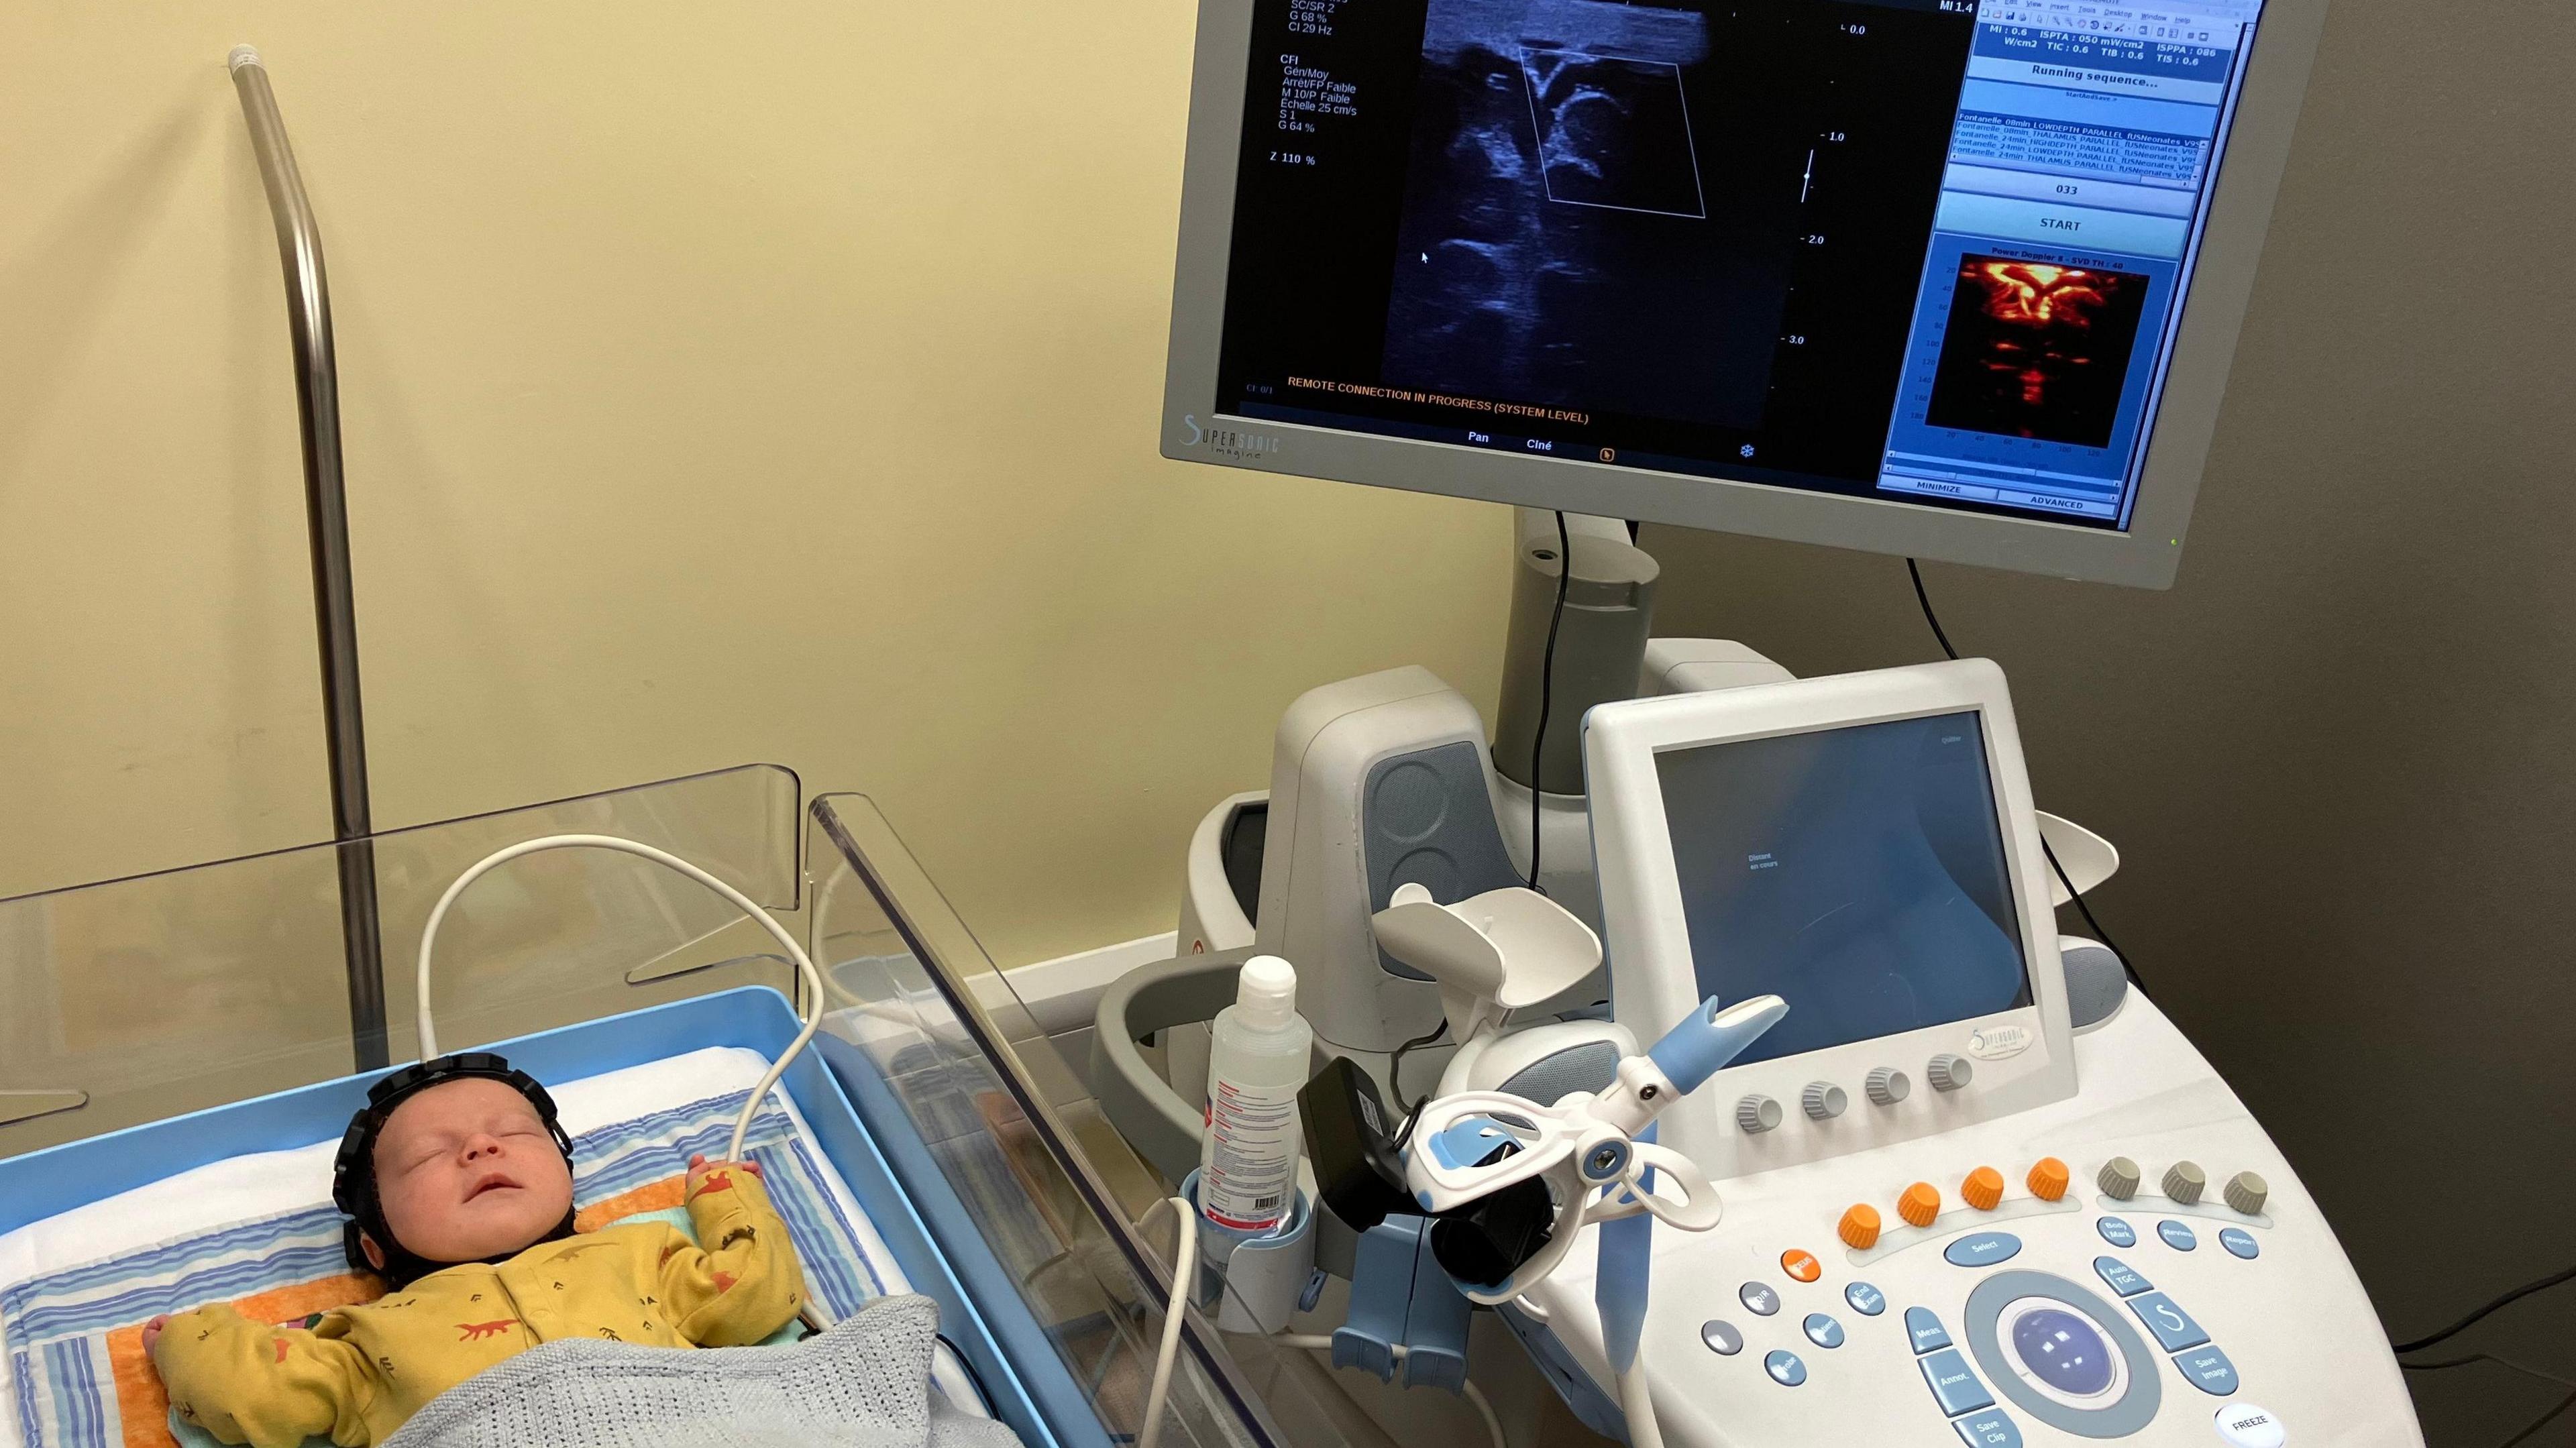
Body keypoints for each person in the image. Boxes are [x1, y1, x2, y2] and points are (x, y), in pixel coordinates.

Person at [143, 1054, 806, 1447]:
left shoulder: (639, 1255)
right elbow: (251, 1391)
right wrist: (190, 1339)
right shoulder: (366, 1338)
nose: (481, 1147)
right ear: (374, 1244)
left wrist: (723, 1194)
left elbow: (755, 1287)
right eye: (431, 1152)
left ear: (566, 1175)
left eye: (513, 1131)